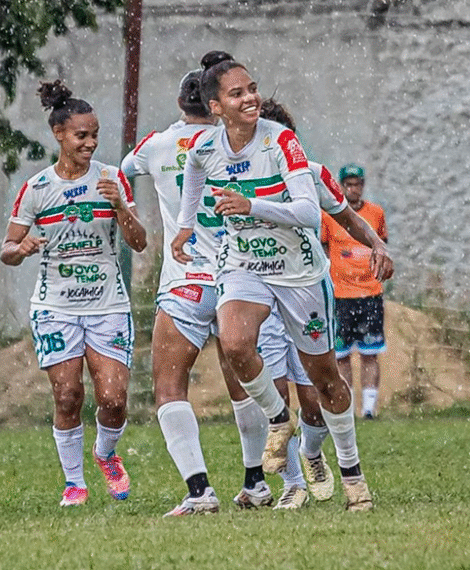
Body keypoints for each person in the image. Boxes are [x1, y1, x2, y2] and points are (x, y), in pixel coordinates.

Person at [172, 54, 391, 511]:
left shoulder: (285, 146)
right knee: (234, 344)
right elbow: (193, 172)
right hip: (245, 267)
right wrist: (185, 226)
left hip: (299, 276)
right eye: (238, 93)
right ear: (215, 107)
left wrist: (250, 205)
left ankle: (349, 473)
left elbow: (317, 215)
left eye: (252, 88)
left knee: (324, 381)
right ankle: (277, 419)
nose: (250, 97)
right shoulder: (205, 149)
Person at [120, 64, 288, 515]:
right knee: (243, 385)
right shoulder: (232, 144)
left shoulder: (156, 145)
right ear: (215, 104)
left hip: (185, 279)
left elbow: (123, 170)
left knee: (170, 387)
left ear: (181, 103)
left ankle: (199, 491)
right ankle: (255, 482)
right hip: (236, 276)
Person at [1, 80, 147, 506]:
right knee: (68, 395)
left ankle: (106, 453)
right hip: (55, 307)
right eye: (81, 135)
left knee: (114, 400)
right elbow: (6, 250)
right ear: (60, 134)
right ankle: (74, 483)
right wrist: (22, 248)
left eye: (94, 134)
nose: (90, 142)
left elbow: (137, 242)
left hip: (108, 306)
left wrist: (120, 205)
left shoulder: (111, 178)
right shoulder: (37, 188)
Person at [259, 96, 392, 502]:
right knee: (271, 391)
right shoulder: (234, 174)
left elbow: (347, 219)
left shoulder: (311, 174)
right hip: (258, 288)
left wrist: (376, 245)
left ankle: (313, 452)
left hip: (305, 291)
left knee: (317, 394)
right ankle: (291, 485)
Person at [321, 163, 388, 419]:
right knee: (342, 355)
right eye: (348, 184)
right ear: (341, 187)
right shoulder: (329, 216)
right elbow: (325, 247)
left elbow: (381, 243)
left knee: (370, 353)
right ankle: (345, 405)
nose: (353, 189)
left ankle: (368, 408)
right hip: (341, 296)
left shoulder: (375, 213)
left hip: (370, 292)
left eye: (357, 184)